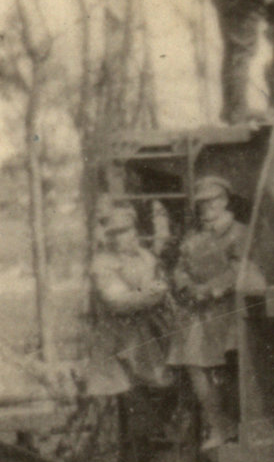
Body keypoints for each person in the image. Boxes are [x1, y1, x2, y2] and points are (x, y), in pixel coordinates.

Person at [167, 177, 252, 448]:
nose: (206, 207)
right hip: (199, 314)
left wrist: (211, 289)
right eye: (201, 203)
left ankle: (244, 424)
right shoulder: (194, 238)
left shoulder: (239, 232)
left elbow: (240, 269)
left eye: (212, 201)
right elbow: (180, 269)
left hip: (229, 312)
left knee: (237, 365)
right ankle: (219, 426)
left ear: (225, 200)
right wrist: (188, 287)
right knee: (195, 366)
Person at [88, 204, 172, 395]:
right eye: (116, 233)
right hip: (118, 336)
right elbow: (117, 301)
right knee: (124, 390)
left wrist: (154, 292)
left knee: (164, 382)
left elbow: (161, 286)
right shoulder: (103, 263)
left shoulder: (146, 257)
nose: (122, 237)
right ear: (109, 237)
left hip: (151, 330)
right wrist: (148, 293)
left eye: (127, 230)